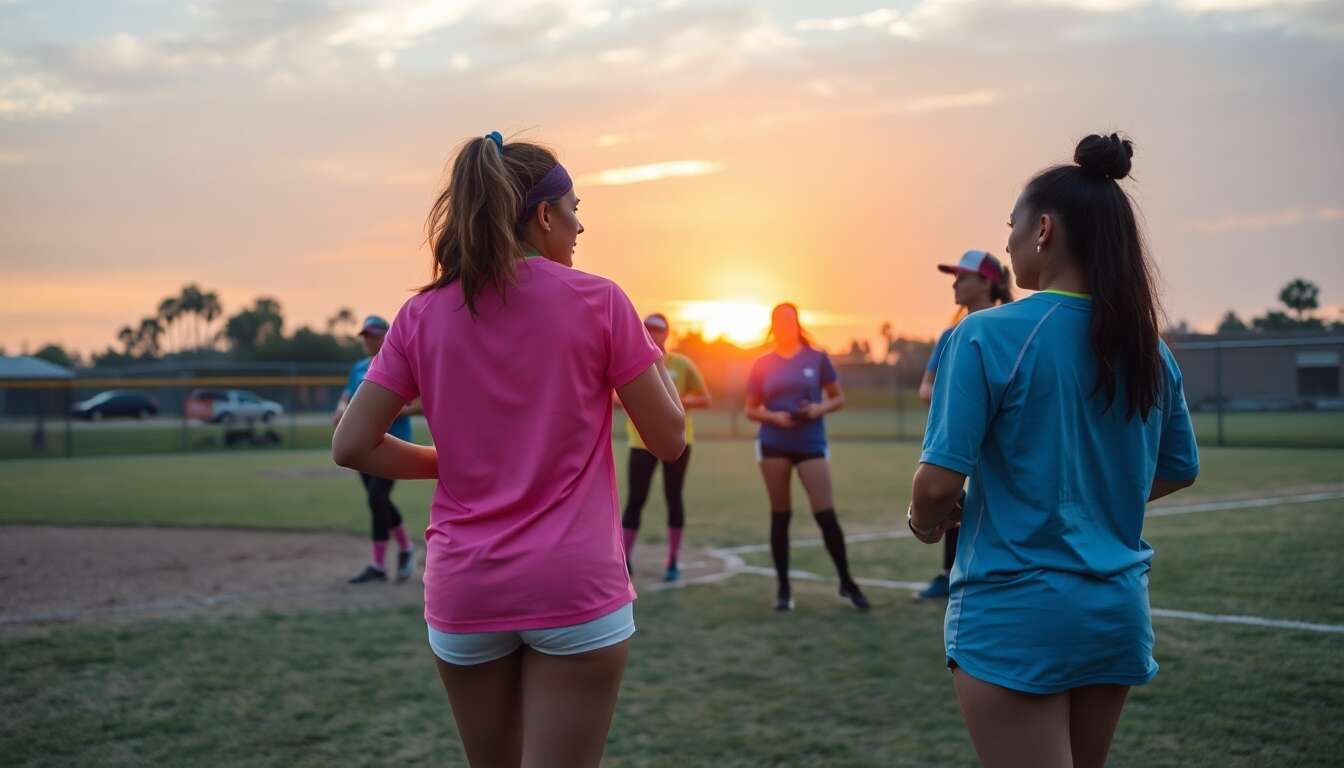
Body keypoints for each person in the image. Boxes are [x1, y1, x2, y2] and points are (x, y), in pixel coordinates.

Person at [332, 131, 686, 767]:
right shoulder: (600, 300)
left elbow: (352, 444)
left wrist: (449, 463)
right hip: (572, 585)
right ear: (544, 215)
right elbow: (668, 438)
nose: (580, 227)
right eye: (575, 209)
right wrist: (645, 352)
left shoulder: (420, 314)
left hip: (467, 589)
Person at [908, 133, 1199, 768]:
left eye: (1011, 225)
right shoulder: (1151, 348)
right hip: (1115, 611)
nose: (1007, 240)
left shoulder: (985, 335)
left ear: (1042, 230)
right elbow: (1178, 468)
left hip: (1017, 610)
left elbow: (935, 485)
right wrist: (1091, 495)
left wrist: (924, 523)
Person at [745, 303, 869, 613]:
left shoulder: (817, 357)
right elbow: (751, 408)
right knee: (780, 515)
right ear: (773, 325)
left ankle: (847, 582)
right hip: (774, 442)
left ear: (797, 322)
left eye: (789, 319)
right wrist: (774, 418)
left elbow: (838, 398)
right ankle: (784, 589)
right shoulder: (762, 363)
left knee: (825, 515)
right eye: (778, 320)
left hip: (810, 441)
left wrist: (817, 410)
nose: (784, 324)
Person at [914, 250, 1013, 601]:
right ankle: (950, 573)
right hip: (964, 439)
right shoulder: (950, 336)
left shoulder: (1015, 328)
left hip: (1007, 443)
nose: (955, 283)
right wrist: (960, 402)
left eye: (964, 276)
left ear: (988, 282)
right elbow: (927, 387)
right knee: (954, 499)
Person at [620, 313, 711, 583]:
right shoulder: (633, 360)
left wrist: (678, 400)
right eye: (647, 328)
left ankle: (673, 561)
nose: (652, 332)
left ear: (667, 334)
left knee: (674, 497)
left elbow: (705, 398)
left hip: (677, 441)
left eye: (658, 329)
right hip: (640, 442)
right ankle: (625, 561)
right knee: (636, 499)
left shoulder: (682, 364)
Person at [332, 314, 421, 585]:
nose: (368, 341)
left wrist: (388, 412)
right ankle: (401, 552)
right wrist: (340, 412)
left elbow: (421, 403)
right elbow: (347, 397)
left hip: (391, 444)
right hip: (362, 445)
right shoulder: (359, 367)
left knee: (376, 498)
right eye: (365, 336)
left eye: (373, 335)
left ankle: (383, 562)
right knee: (378, 502)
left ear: (386, 335)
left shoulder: (403, 363)